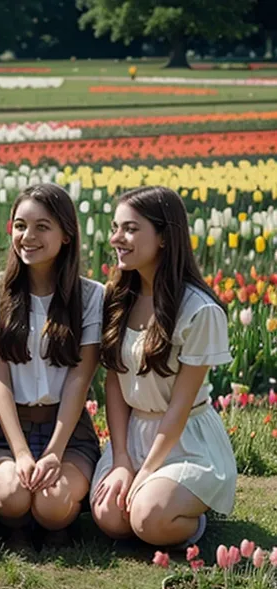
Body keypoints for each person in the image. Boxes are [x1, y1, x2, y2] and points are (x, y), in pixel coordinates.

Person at [91, 186, 237, 548]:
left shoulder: (199, 311)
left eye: (130, 229)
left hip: (185, 438)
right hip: (133, 433)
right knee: (111, 518)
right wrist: (122, 459)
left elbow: (180, 406)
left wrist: (148, 470)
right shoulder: (117, 299)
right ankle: (160, 500)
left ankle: (192, 518)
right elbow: (114, 382)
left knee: (148, 520)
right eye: (115, 227)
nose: (116, 238)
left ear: (163, 238)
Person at [0, 184, 103, 544]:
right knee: (13, 494)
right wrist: (19, 451)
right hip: (5, 430)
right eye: (20, 225)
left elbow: (79, 382)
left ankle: (53, 519)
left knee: (51, 503)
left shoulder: (91, 296)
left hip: (69, 433)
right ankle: (14, 517)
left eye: (42, 227)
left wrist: (53, 453)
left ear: (66, 235)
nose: (27, 236)